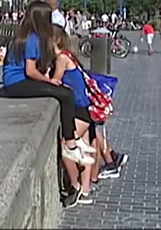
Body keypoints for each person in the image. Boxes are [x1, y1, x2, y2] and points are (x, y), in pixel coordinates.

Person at [0, 0, 90, 165]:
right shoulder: (33, 39)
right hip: (16, 84)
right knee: (66, 95)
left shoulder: (24, 36)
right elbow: (30, 71)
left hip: (13, 82)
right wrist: (49, 81)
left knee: (64, 92)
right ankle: (70, 142)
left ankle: (72, 137)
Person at [51, 26, 97, 207]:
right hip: (85, 110)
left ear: (54, 40)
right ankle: (85, 191)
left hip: (78, 110)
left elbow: (55, 81)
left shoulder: (62, 58)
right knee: (82, 152)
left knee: (67, 147)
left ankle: (75, 186)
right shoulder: (69, 56)